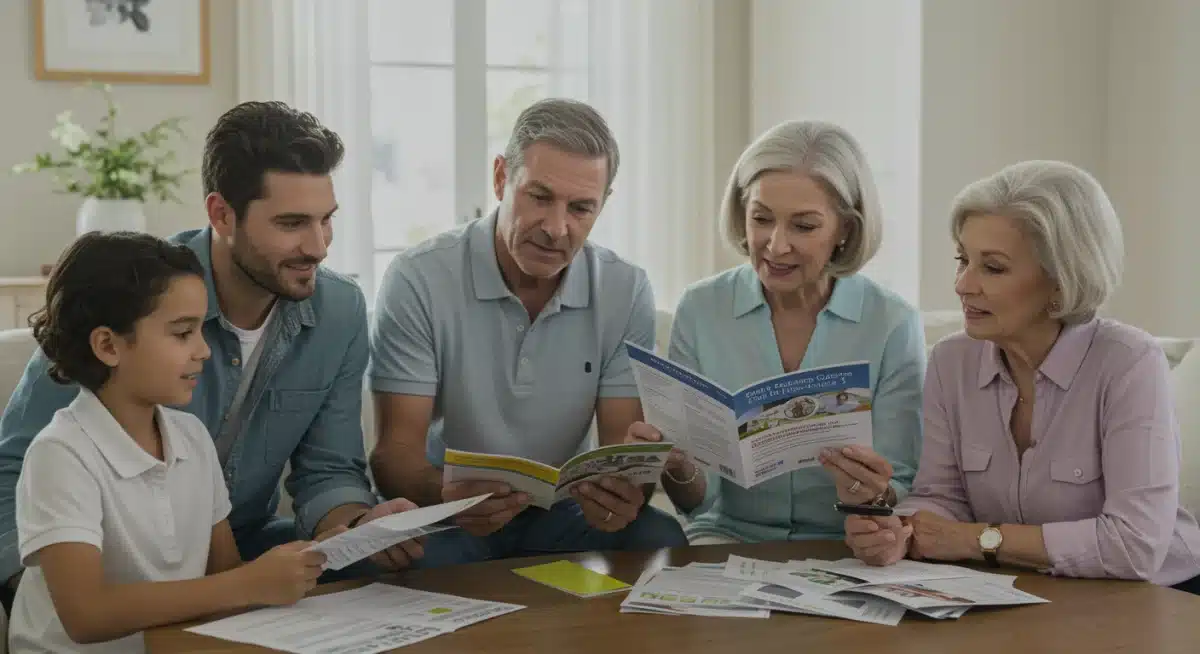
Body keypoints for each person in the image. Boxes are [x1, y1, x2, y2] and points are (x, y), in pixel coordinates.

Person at [0, 101, 424, 615]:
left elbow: (328, 468)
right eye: (291, 223)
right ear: (221, 214)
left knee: (419, 562)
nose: (318, 247)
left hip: (242, 545)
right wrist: (39, 595)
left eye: (326, 221)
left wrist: (358, 526)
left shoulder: (339, 311)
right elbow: (15, 468)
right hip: (108, 560)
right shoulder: (127, 296)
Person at [844, 160, 1200, 594]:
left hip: (1158, 597)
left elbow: (1134, 545)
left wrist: (979, 540)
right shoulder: (950, 361)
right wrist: (897, 532)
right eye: (963, 260)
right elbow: (941, 497)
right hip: (1024, 590)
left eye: (992, 268)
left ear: (1059, 280)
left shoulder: (1130, 362)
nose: (962, 284)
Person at [368, 97, 688, 567]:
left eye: (581, 208)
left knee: (659, 536)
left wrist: (621, 494)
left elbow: (622, 452)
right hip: (451, 512)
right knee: (406, 559)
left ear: (603, 205)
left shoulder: (625, 288)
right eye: (539, 197)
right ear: (501, 178)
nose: (556, 228)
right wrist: (451, 495)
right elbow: (394, 457)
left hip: (564, 512)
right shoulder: (418, 277)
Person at [10, 232, 326, 652]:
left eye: (200, 330)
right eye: (182, 334)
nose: (204, 351)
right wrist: (248, 583)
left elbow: (225, 572)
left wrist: (298, 563)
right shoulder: (61, 454)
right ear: (108, 345)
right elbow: (86, 615)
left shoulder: (191, 437)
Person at [647, 119, 926, 545]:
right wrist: (679, 466)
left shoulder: (892, 323)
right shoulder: (702, 309)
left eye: (804, 226)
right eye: (761, 219)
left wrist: (873, 496)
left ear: (845, 230)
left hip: (845, 544)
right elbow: (698, 504)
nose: (776, 246)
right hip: (726, 536)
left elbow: (900, 481)